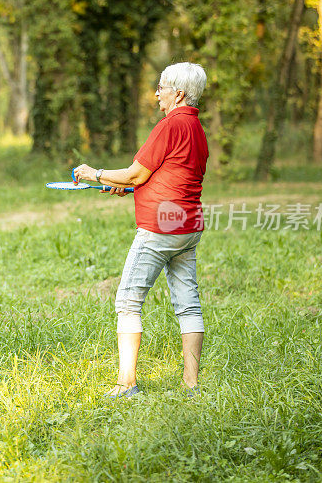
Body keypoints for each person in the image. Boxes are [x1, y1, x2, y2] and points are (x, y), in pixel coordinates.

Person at [73, 62, 208, 399]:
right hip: (187, 226)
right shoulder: (196, 129)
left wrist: (96, 173)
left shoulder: (169, 126)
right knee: (188, 304)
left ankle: (126, 384)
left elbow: (135, 173)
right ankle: (191, 386)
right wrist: (131, 188)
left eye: (161, 86)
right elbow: (170, 177)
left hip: (160, 229)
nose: (157, 93)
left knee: (128, 301)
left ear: (177, 93)